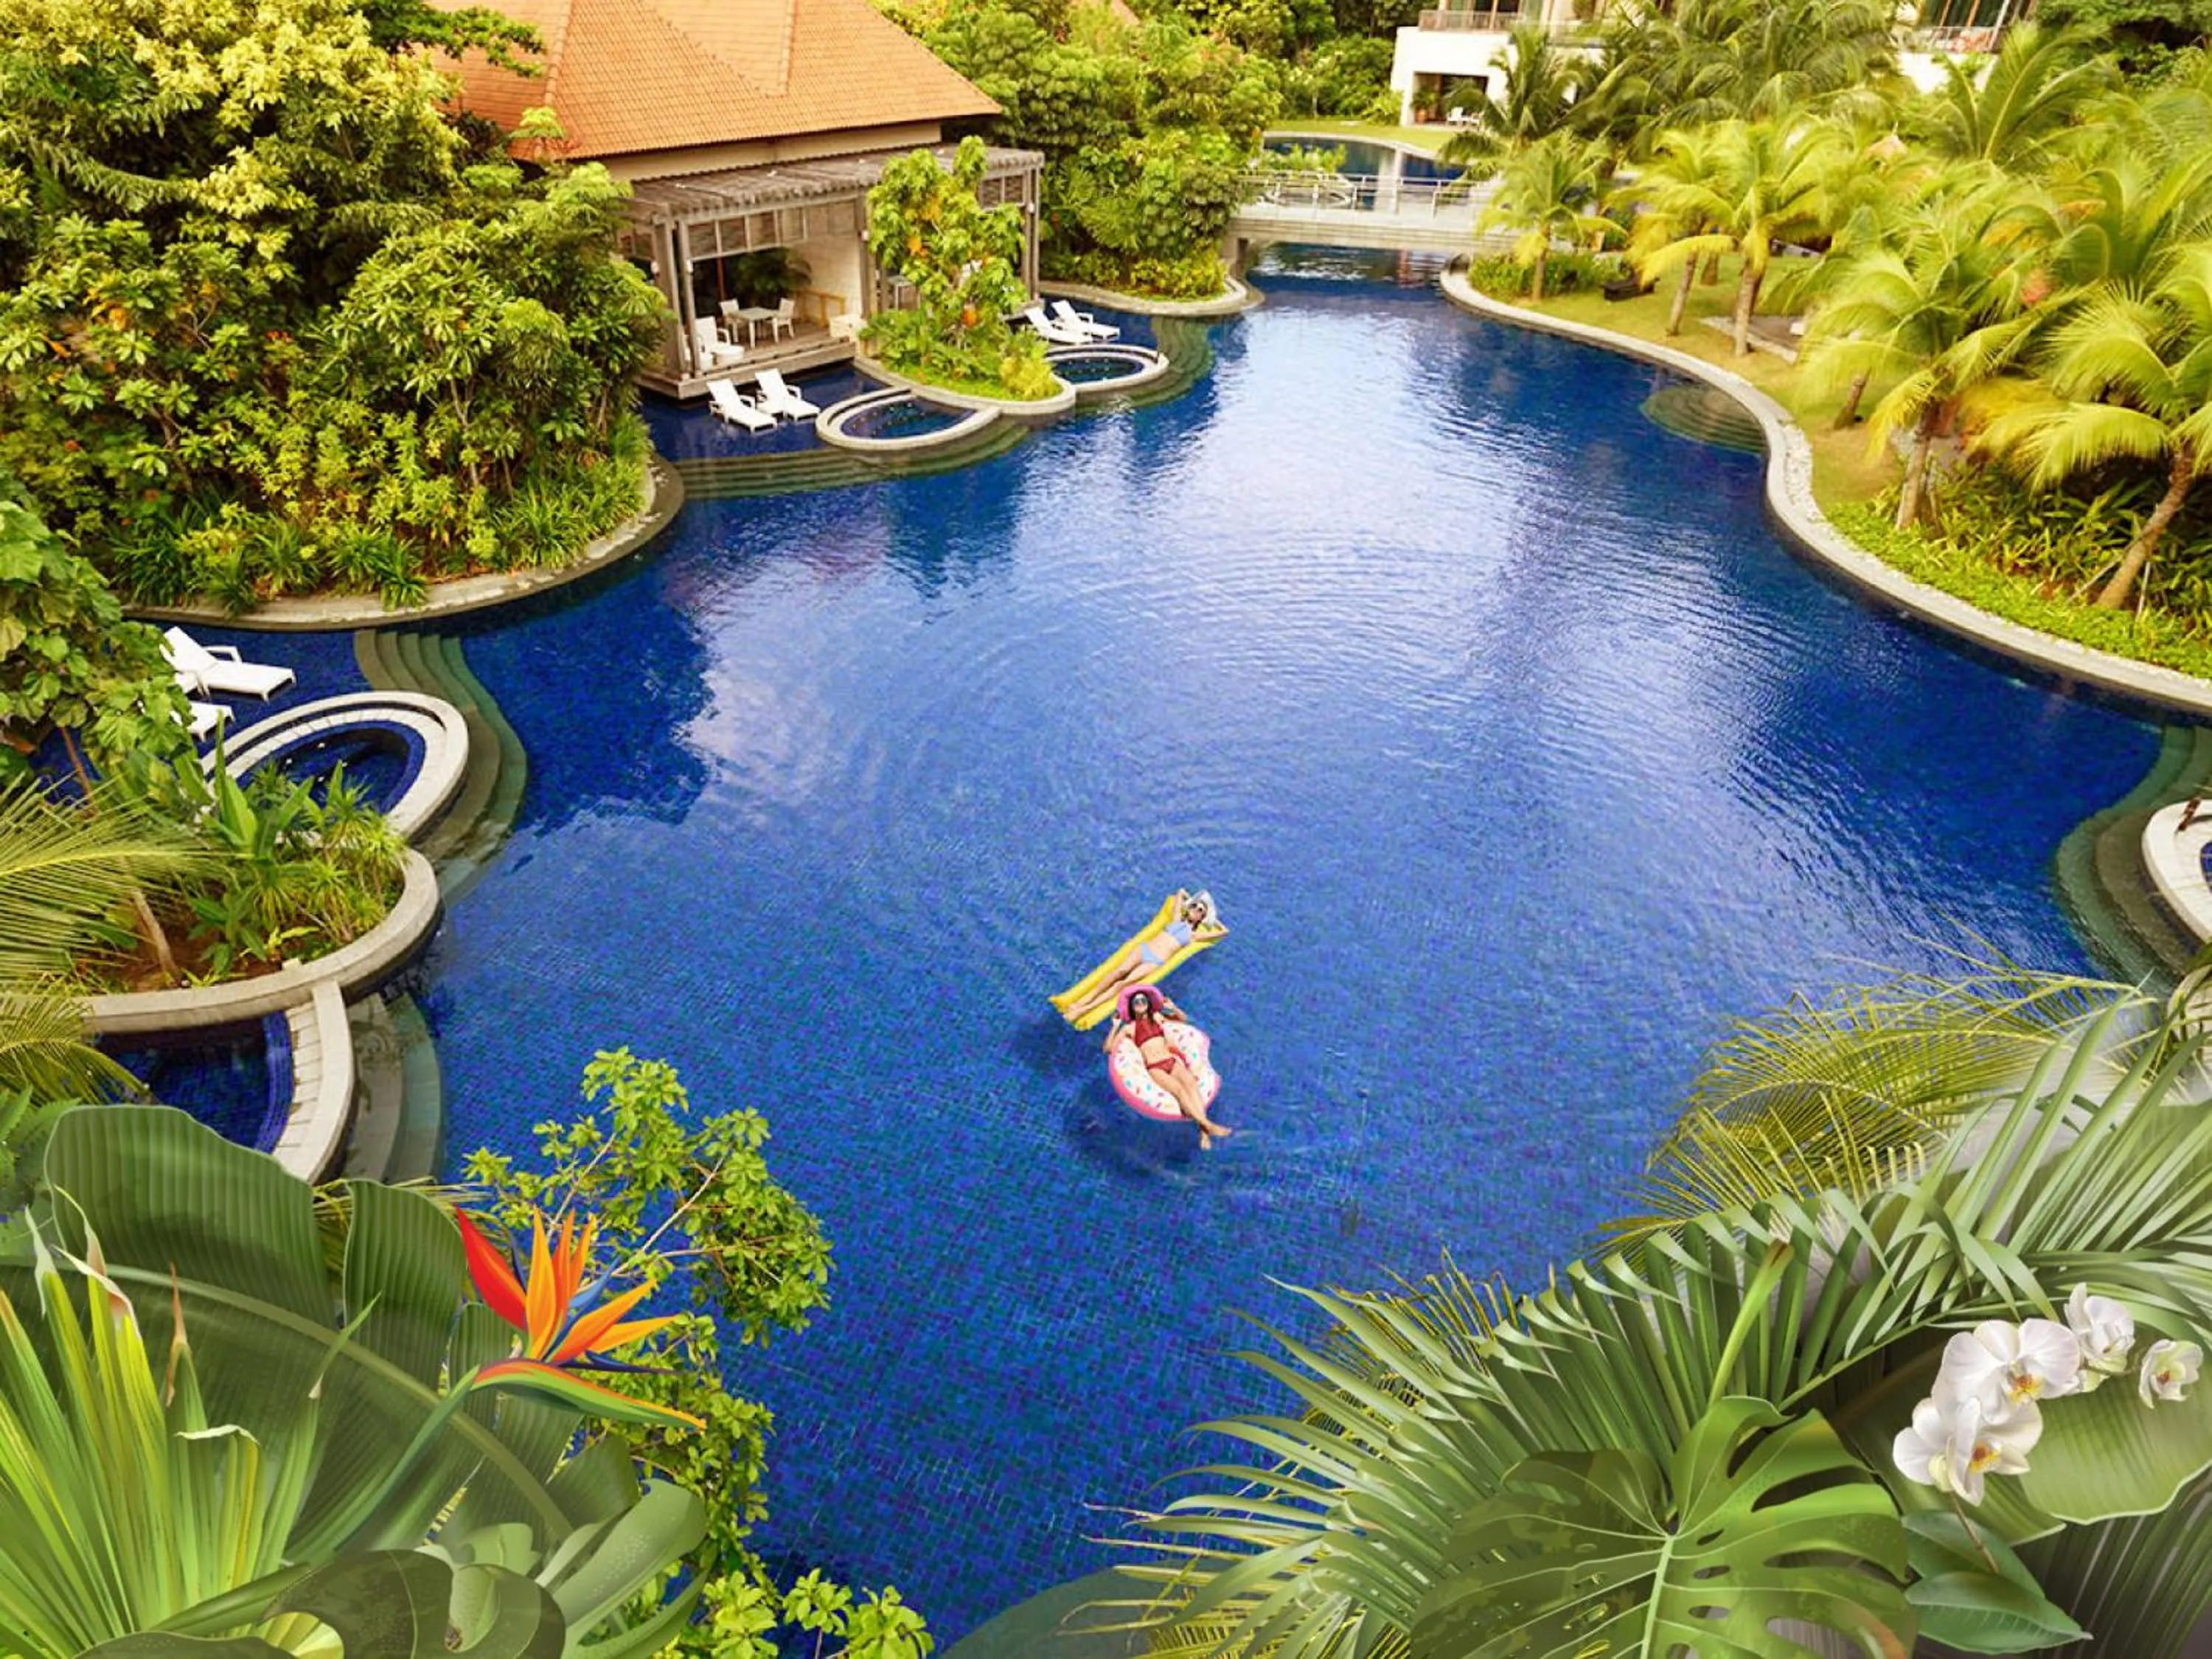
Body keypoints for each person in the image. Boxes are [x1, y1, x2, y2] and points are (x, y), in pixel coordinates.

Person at [1105, 988, 1233, 1148]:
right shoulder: (1129, 1028)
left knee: (1192, 1085)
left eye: (1143, 1001)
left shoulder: (1157, 1018)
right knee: (1179, 1091)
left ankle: (1204, 1132)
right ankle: (1208, 1126)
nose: (1140, 1003)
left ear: (1148, 1004)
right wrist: (1115, 1026)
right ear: (1132, 1007)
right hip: (1155, 1067)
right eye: (1136, 1002)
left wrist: (1173, 1009)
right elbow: (1109, 1048)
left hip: (1171, 1061)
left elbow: (1183, 1020)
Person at [1075, 893, 1224, 1023]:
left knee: (1122, 984)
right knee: (1120, 971)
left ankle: (1086, 1008)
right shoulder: (1176, 919)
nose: (1196, 910)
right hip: (1144, 950)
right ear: (1189, 907)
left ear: (1201, 918)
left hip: (1155, 961)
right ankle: (1084, 1000)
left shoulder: (1193, 935)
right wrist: (1193, 899)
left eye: (1200, 911)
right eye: (1194, 907)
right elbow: (1180, 893)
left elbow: (1222, 932)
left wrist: (1210, 918)